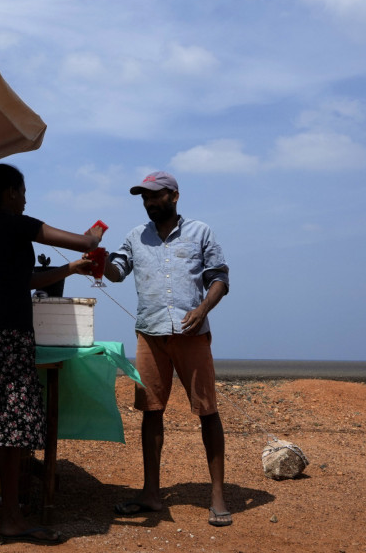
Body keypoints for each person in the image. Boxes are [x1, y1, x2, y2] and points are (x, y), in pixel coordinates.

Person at [0, 163, 103, 548]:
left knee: (10, 427)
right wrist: (97, 233)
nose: (26, 197)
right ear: (9, 194)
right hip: (9, 335)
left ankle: (12, 518)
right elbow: (85, 240)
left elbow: (26, 281)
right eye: (22, 191)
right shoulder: (17, 223)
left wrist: (71, 269)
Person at [104, 171, 232, 528]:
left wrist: (203, 309)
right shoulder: (134, 237)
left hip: (192, 333)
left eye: (154, 196)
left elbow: (219, 278)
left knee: (207, 411)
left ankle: (217, 496)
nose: (148, 203)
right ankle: (151, 494)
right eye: (144, 197)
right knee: (151, 411)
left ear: (174, 197)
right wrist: (95, 257)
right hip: (150, 333)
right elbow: (116, 271)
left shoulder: (200, 232)